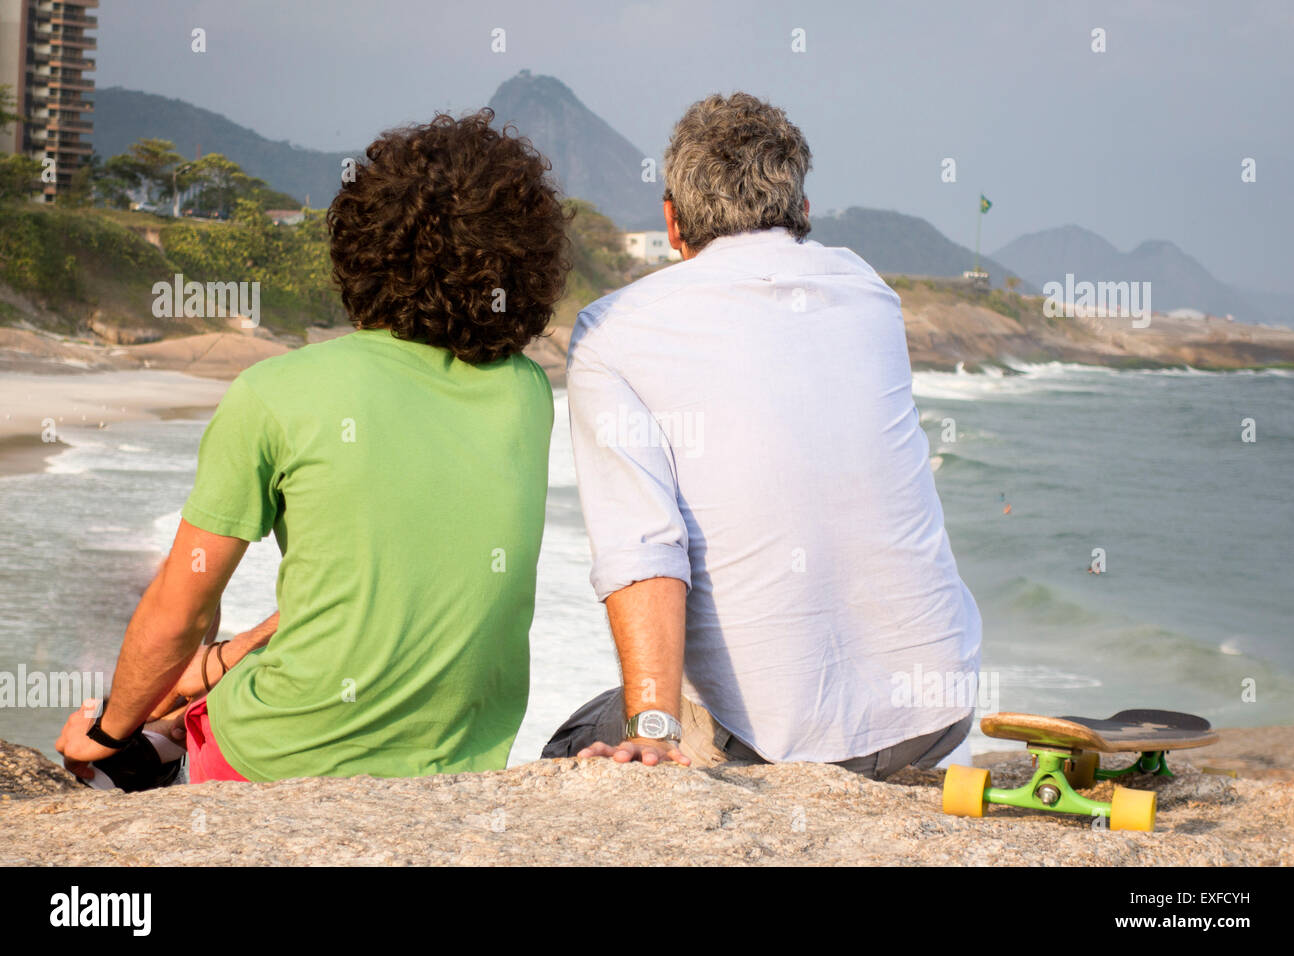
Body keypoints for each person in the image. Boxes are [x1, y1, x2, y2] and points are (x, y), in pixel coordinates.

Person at [56, 110, 569, 783]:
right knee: (198, 688)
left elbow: (176, 612)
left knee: (129, 734)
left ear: (362, 245)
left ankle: (161, 743)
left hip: (278, 763)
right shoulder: (528, 395)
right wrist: (223, 657)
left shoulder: (276, 392)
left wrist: (107, 730)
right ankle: (181, 721)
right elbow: (392, 586)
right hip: (458, 766)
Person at [543, 93, 982, 778]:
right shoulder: (867, 291)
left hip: (772, 740)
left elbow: (644, 552)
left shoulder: (613, 331)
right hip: (934, 717)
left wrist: (653, 735)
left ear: (671, 218)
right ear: (802, 212)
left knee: (576, 742)